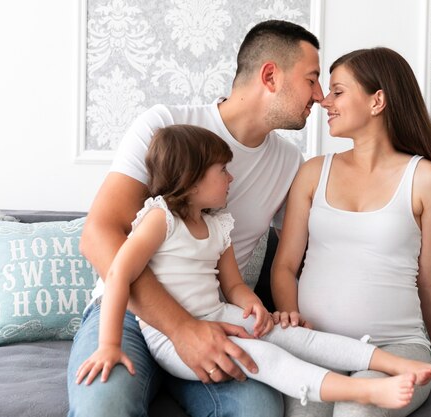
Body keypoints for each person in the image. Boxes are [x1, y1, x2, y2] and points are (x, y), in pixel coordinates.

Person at [75, 125, 431, 411]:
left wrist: (254, 306)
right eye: (223, 171)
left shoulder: (219, 224)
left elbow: (233, 285)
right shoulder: (160, 219)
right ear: (192, 178)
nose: (231, 179)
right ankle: (364, 390)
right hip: (167, 336)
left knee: (295, 337)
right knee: (267, 358)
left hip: (216, 313)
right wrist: (108, 344)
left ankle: (394, 362)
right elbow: (119, 272)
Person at [67, 20, 324, 417]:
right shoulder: (165, 125)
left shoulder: (290, 164)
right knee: (104, 407)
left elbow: (306, 252)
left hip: (219, 319)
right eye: (312, 79)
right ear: (270, 76)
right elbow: (98, 236)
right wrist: (180, 328)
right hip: (131, 314)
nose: (320, 96)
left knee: (259, 411)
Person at [271, 47, 431, 417]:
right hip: (319, 345)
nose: (324, 101)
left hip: (395, 347)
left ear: (377, 100)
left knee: (357, 411)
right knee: (305, 413)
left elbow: (430, 278)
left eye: (338, 91)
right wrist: (294, 326)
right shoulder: (313, 172)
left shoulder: (424, 178)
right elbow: (285, 267)